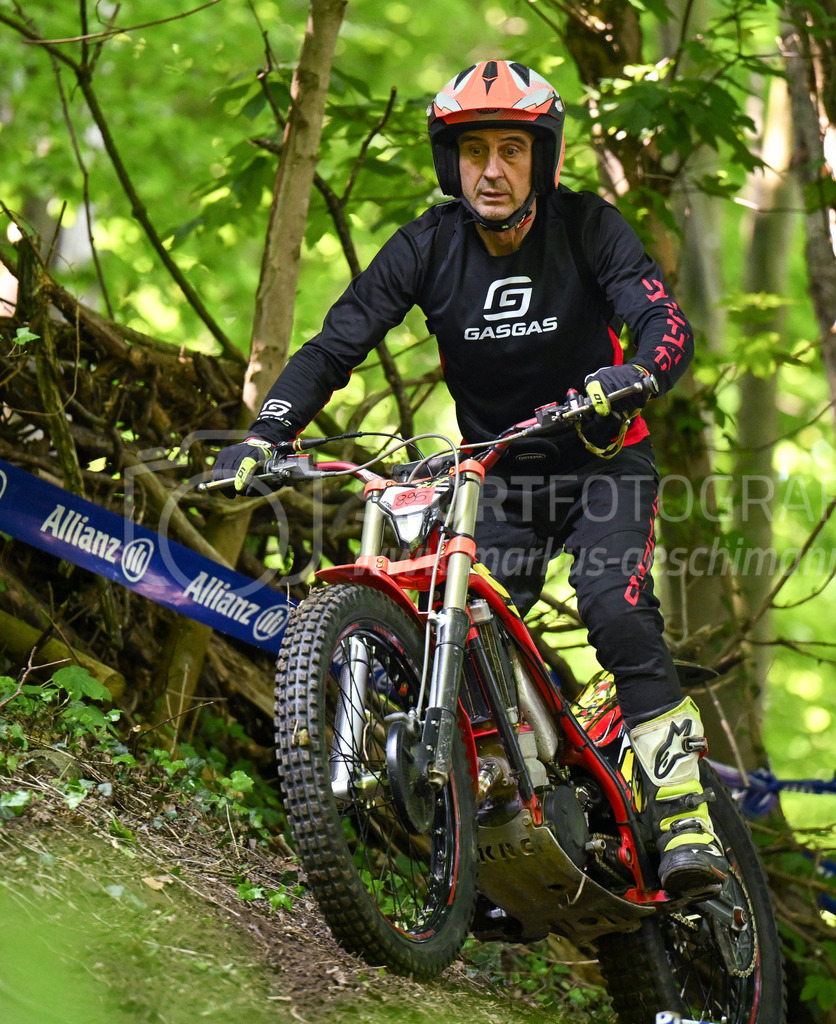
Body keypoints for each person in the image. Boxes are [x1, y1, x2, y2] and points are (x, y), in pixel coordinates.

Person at [213, 59, 727, 900]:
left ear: (543, 158)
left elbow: (661, 319)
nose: (492, 170)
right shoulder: (426, 245)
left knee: (615, 606)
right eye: (474, 151)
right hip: (500, 477)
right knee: (461, 635)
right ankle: (515, 818)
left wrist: (636, 373)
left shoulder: (591, 227)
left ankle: (684, 816)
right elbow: (335, 344)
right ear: (451, 163)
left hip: (602, 462)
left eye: (512, 151)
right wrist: (266, 433)